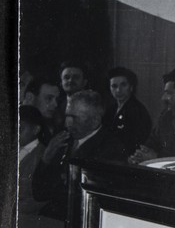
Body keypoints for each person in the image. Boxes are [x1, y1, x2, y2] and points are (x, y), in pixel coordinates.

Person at [32, 90, 129, 220]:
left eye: (75, 118)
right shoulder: (63, 139)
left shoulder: (111, 148)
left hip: (79, 222)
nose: (68, 123)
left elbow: (92, 202)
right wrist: (46, 157)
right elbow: (39, 193)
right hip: (53, 216)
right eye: (67, 116)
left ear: (95, 121)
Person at [129, 69, 175, 164]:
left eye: (169, 93)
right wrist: (140, 154)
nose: (163, 98)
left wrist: (156, 157)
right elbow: (152, 141)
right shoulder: (166, 116)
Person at [103, 66, 153, 153]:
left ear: (131, 87)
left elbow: (136, 143)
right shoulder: (110, 109)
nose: (118, 90)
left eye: (123, 85)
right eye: (114, 86)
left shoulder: (138, 111)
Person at [18, 105, 51, 216]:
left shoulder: (43, 155)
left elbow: (36, 199)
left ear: (36, 129)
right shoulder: (9, 149)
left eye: (21, 128)